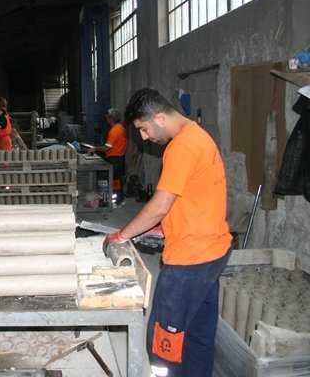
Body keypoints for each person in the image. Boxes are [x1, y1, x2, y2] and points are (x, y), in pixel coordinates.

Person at [103, 88, 232, 377]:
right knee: (197, 336)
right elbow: (197, 197)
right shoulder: (200, 136)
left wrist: (122, 235)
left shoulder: (181, 147)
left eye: (144, 128)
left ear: (160, 117)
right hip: (214, 253)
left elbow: (160, 205)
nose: (144, 137)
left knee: (164, 344)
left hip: (188, 261)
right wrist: (168, 226)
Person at [87, 108, 128, 206]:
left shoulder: (114, 130)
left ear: (111, 118)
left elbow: (107, 147)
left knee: (114, 181)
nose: (106, 120)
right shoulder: (121, 128)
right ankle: (119, 198)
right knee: (117, 180)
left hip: (115, 159)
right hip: (120, 157)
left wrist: (95, 149)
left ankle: (116, 201)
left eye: (107, 118)